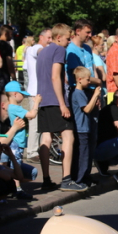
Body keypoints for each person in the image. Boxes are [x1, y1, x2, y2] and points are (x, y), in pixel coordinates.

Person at [37, 23, 87, 192]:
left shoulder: (43, 51)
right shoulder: (59, 50)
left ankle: (46, 179)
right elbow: (55, 77)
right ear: (59, 37)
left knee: (46, 138)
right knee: (69, 136)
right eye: (67, 38)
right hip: (54, 99)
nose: (68, 41)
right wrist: (62, 103)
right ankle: (66, 179)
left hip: (42, 99)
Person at [2, 81, 41, 199]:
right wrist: (36, 103)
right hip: (16, 142)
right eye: (21, 94)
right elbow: (31, 115)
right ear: (14, 94)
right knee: (16, 164)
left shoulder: (13, 107)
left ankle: (13, 188)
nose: (23, 96)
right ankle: (17, 189)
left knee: (16, 164)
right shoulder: (14, 107)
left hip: (17, 142)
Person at [70, 66, 101, 187]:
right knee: (82, 155)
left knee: (86, 154)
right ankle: (79, 179)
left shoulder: (80, 92)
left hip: (85, 127)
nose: (89, 82)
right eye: (88, 80)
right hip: (81, 128)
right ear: (79, 79)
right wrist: (95, 95)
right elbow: (87, 109)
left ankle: (85, 178)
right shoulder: (78, 93)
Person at [24, 28, 52, 162]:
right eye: (49, 37)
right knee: (35, 124)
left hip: (41, 92)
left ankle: (41, 150)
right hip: (35, 93)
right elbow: (40, 52)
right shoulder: (35, 48)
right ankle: (31, 152)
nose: (51, 40)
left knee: (43, 123)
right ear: (41, 37)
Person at [0, 25, 17, 92]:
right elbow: (9, 63)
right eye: (11, 34)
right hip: (4, 76)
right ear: (6, 34)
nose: (11, 36)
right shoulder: (7, 46)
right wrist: (14, 78)